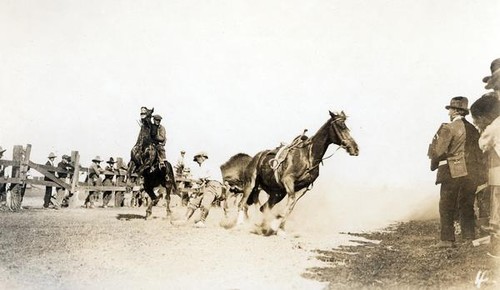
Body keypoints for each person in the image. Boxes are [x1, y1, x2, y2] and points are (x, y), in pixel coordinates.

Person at [428, 96, 486, 248]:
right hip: (472, 172)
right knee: (466, 203)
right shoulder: (474, 129)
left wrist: (433, 157)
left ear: (455, 111)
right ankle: (468, 237)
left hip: (452, 171)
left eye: (451, 110)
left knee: (446, 204)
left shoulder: (448, 127)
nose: (449, 113)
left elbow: (439, 151)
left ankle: (447, 240)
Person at [470, 94, 500, 256]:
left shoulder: (493, 127)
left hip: (498, 175)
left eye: (476, 119)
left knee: (497, 210)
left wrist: (483, 129)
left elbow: (483, 144)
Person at [183, 151, 223, 228]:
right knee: (195, 201)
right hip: (214, 185)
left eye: (197, 159)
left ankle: (201, 221)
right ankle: (185, 219)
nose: (198, 162)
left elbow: (200, 177)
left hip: (212, 185)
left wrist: (193, 180)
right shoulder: (213, 164)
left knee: (205, 203)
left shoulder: (205, 164)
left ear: (201, 157)